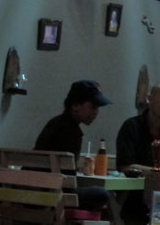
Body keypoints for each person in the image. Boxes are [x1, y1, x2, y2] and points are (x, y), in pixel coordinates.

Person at [34, 79, 112, 209]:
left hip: (32, 188)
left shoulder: (54, 123)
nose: (95, 113)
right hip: (52, 193)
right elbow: (68, 182)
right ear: (75, 106)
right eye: (92, 107)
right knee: (103, 194)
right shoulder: (72, 133)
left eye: (97, 108)